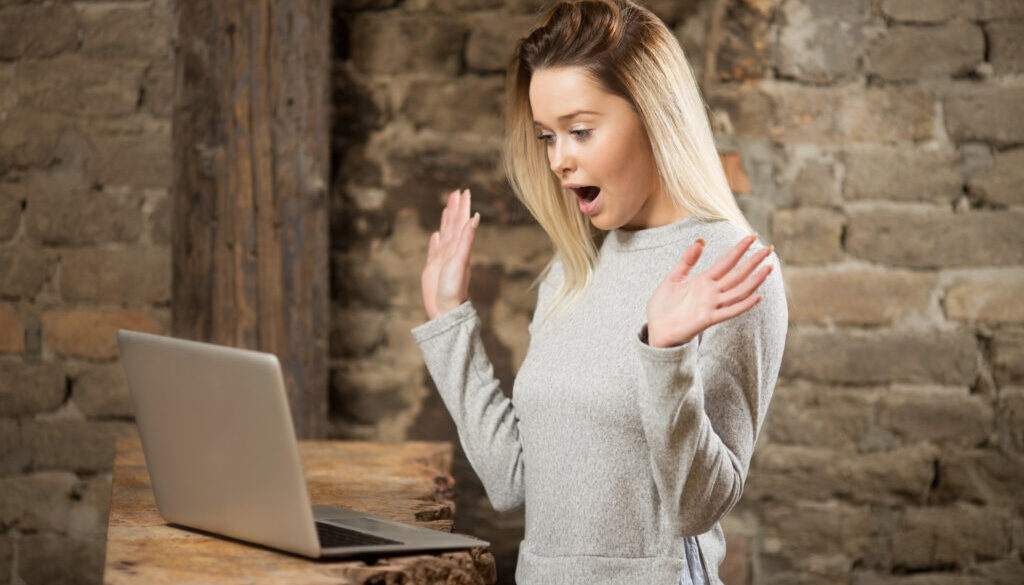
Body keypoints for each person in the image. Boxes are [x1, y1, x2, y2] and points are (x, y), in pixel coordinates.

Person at [410, 0, 788, 583]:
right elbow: (512, 481)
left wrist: (665, 356)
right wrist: (448, 321)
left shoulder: (732, 268)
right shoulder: (571, 273)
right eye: (546, 136)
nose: (560, 160)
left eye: (580, 131)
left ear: (653, 116)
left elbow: (699, 505)